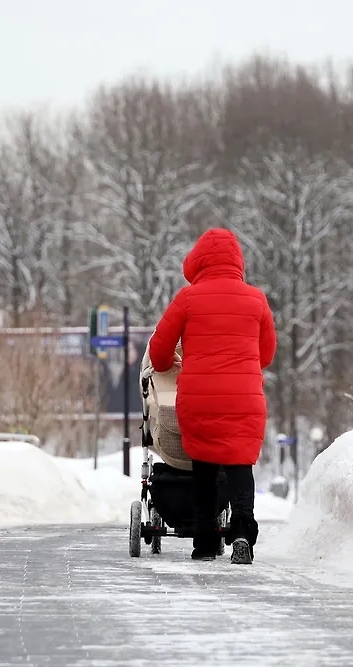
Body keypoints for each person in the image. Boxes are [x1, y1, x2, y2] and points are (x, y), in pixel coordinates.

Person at [148, 228, 277, 564]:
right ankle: (242, 534)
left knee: (203, 467)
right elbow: (267, 355)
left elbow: (159, 350)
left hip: (199, 398)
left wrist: (171, 362)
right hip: (245, 399)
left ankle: (205, 541)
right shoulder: (256, 299)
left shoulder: (187, 299)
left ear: (198, 261)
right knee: (239, 466)